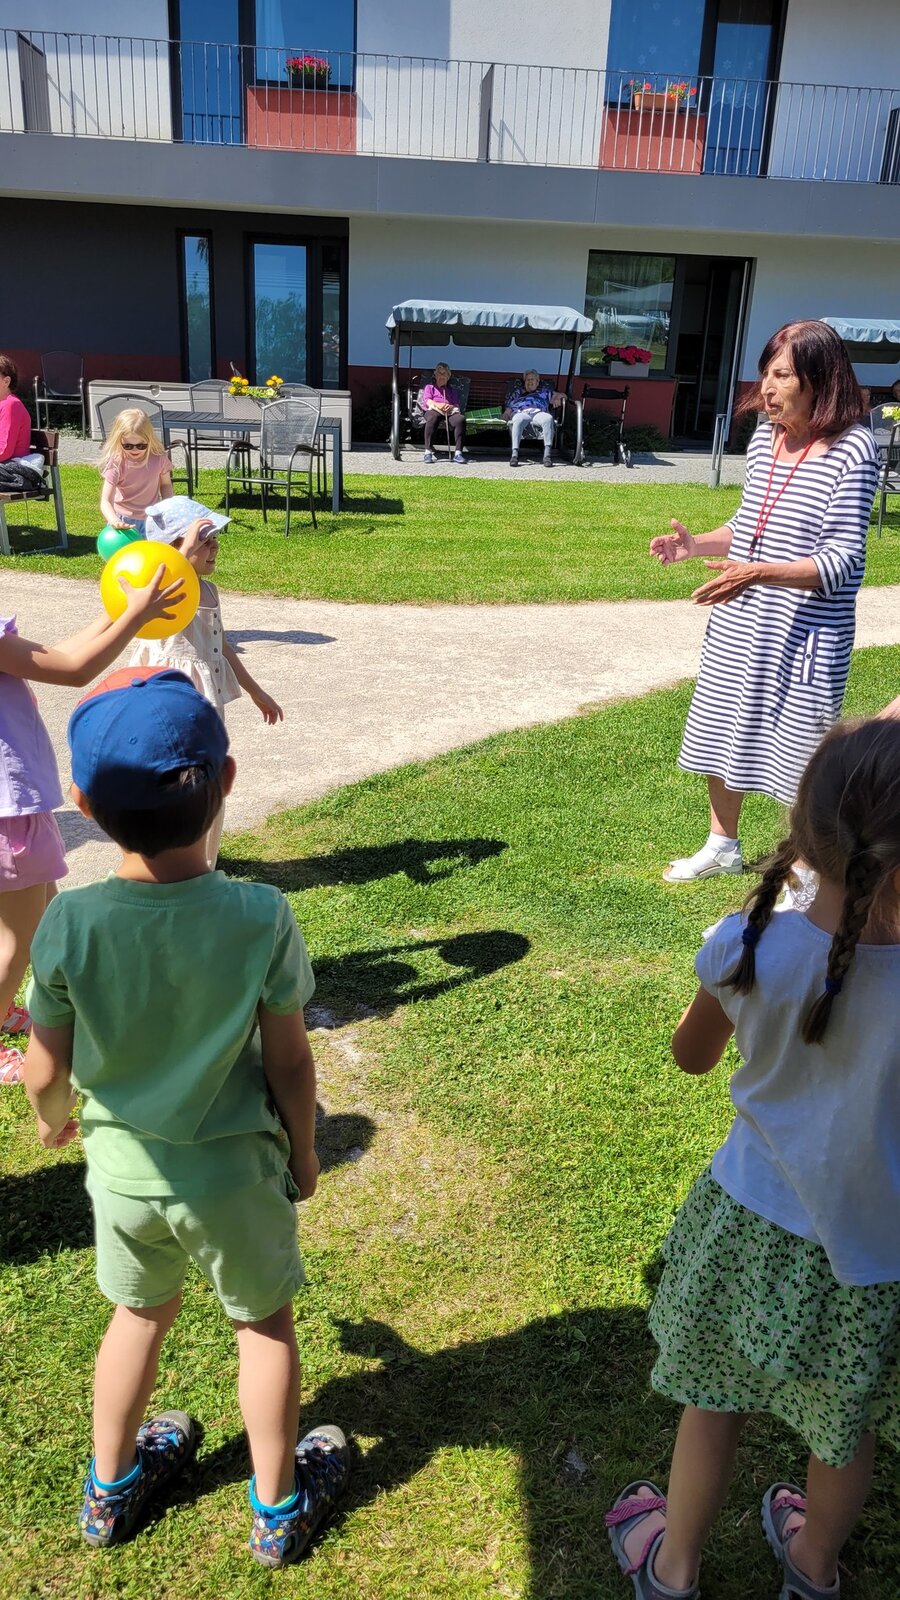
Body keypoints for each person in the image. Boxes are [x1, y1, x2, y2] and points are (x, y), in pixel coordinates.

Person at [22, 670, 351, 1565]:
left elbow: (44, 1067)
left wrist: (51, 1116)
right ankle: (278, 1508)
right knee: (264, 1328)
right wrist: (305, 1150)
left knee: (137, 1316)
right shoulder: (259, 914)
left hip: (123, 1178)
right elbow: (290, 1061)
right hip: (235, 1177)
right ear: (227, 780)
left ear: (84, 804)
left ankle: (109, 1490)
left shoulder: (69, 922)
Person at [607, 716, 900, 1600]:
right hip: (872, 1258)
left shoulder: (750, 942)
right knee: (843, 1431)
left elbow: (691, 1055)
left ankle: (674, 1567)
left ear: (805, 828)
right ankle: (814, 1568)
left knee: (712, 1402)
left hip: (749, 1231)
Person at [652, 320, 878, 882]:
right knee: (721, 723)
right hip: (742, 616)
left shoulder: (853, 448)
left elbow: (840, 560)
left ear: (820, 379)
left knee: (802, 751)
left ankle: (806, 868)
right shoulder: (763, 438)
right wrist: (696, 545)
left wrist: (756, 573)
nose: (767, 390)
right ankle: (722, 845)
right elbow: (749, 523)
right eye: (765, 374)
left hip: (806, 631)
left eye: (782, 376)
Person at [0, 570, 185, 1083]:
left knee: (43, 917)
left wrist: (117, 613)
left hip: (15, 810)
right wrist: (135, 617)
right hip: (9, 815)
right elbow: (73, 669)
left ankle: (21, 1006)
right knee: (17, 941)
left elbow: (56, 653)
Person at [129, 496, 283, 866]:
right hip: (171, 696)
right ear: (174, 547)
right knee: (173, 779)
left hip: (205, 699)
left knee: (206, 778)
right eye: (205, 540)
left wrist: (255, 690)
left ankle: (202, 863)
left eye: (215, 538)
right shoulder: (162, 591)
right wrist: (183, 551)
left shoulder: (209, 591)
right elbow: (164, 579)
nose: (215, 546)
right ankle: (166, 859)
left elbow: (223, 645)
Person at [99, 408, 174, 535]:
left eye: (141, 445)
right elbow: (106, 500)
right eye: (127, 446)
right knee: (126, 549)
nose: (135, 450)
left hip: (152, 519)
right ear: (119, 441)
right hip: (122, 519)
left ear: (149, 440)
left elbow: (166, 485)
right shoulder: (117, 463)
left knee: (152, 549)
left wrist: (168, 507)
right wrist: (114, 520)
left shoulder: (158, 458)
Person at [502, 369, 564, 467]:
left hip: (539, 412)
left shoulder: (544, 392)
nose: (530, 381)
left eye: (532, 379)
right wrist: (504, 417)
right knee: (518, 419)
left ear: (537, 381)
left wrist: (558, 398)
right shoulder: (517, 393)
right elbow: (509, 409)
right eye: (527, 380)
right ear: (524, 382)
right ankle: (514, 455)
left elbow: (563, 395)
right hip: (521, 412)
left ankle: (547, 456)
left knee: (548, 418)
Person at [421, 362, 466, 465]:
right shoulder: (429, 387)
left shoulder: (452, 390)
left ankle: (458, 453)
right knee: (432, 417)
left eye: (444, 373)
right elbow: (428, 401)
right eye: (439, 373)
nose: (441, 376)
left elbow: (456, 405)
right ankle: (428, 452)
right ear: (435, 375)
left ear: (448, 376)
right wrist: (438, 405)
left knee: (460, 419)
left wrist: (450, 407)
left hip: (449, 412)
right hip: (433, 410)